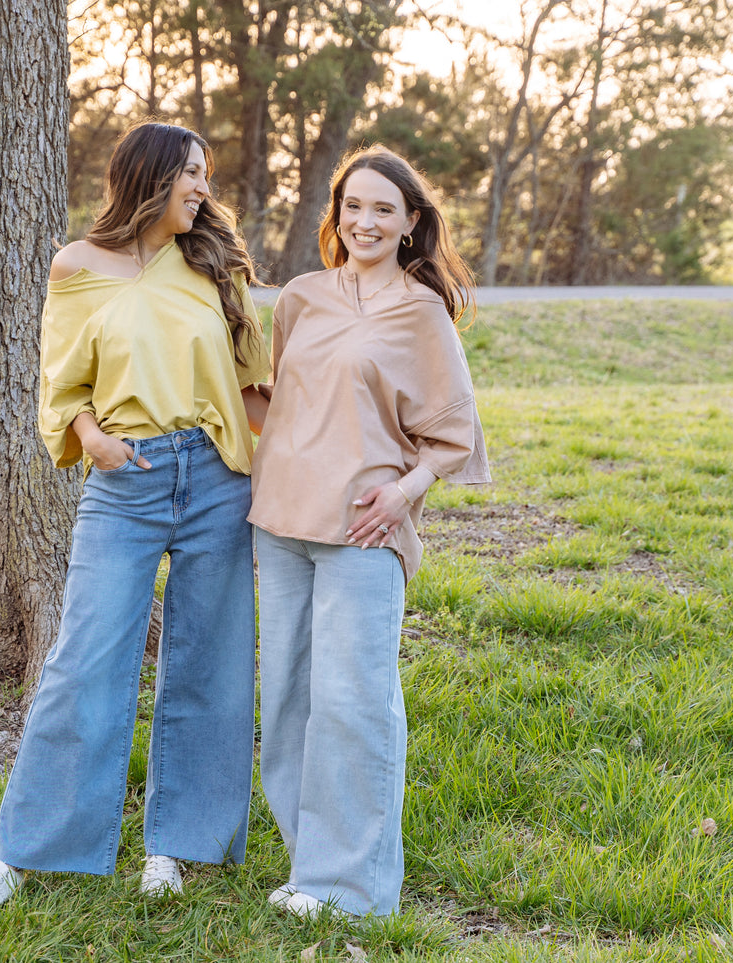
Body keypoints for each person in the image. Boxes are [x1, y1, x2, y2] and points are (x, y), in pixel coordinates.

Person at [0, 121, 271, 920]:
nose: (203, 187)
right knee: (83, 662)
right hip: (125, 482)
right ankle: (19, 852)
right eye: (191, 173)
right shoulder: (77, 267)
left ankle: (178, 846)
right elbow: (63, 387)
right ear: (150, 177)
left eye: (206, 174)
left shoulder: (210, 263)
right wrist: (97, 441)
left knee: (210, 662)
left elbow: (256, 385)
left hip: (219, 476)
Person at [249, 145, 491, 918]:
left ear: (411, 222)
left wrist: (404, 492)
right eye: (353, 205)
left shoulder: (421, 310)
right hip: (280, 520)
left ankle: (351, 889)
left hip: (364, 526)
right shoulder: (301, 297)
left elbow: (452, 433)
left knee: (354, 703)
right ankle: (308, 868)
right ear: (336, 213)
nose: (365, 220)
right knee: (289, 700)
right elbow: (282, 401)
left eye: (383, 208)